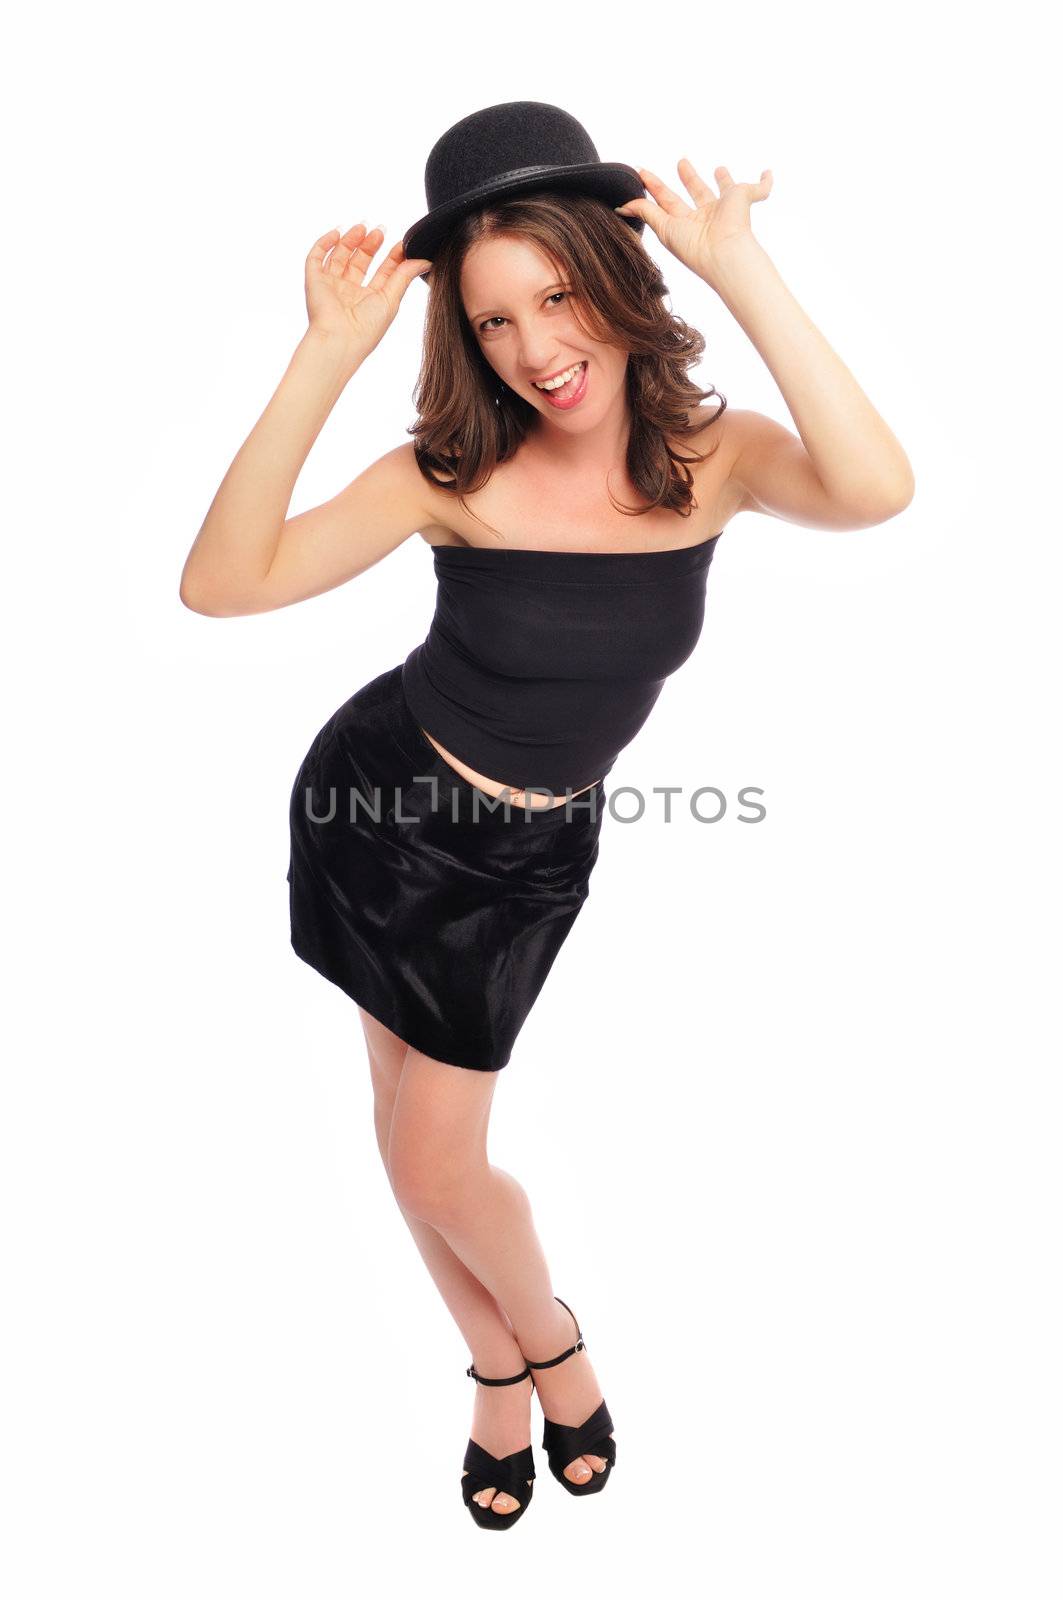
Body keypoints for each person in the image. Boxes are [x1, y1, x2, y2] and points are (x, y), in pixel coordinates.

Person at [179, 102, 915, 1530]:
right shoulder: (450, 480)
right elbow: (224, 585)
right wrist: (323, 358)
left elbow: (877, 489)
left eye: (558, 295)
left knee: (425, 1155)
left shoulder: (718, 465)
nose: (534, 347)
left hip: (523, 858)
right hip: (374, 802)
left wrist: (742, 267)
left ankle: (522, 1350)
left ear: (616, 274)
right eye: (495, 320)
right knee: (415, 1142)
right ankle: (520, 1366)